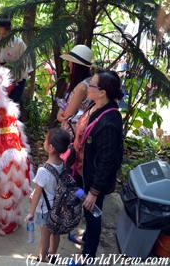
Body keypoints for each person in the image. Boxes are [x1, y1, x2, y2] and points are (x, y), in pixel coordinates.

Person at [70, 70, 124, 263]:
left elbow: (107, 161)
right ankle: (85, 240)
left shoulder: (110, 122)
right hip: (82, 169)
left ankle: (88, 256)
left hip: (93, 179)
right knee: (81, 200)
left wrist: (94, 191)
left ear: (102, 92)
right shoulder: (95, 105)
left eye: (91, 85)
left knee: (92, 215)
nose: (87, 87)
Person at [25, 128, 71, 262]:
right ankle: (52, 254)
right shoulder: (63, 165)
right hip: (59, 208)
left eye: (45, 140)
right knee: (55, 234)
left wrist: (31, 213)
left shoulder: (43, 171)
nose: (44, 142)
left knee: (45, 236)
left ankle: (43, 257)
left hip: (46, 210)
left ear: (50, 147)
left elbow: (37, 194)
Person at [0, 19, 30, 105]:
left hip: (17, 80)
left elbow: (27, 65)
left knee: (10, 106)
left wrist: (14, 78)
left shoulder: (19, 44)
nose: (1, 36)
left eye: (4, 34)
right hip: (0, 79)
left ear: (10, 32)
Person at [57, 45, 93, 137]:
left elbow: (67, 116)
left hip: (72, 133)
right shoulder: (88, 81)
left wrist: (60, 115)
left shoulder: (81, 87)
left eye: (70, 62)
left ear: (76, 66)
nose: (69, 65)